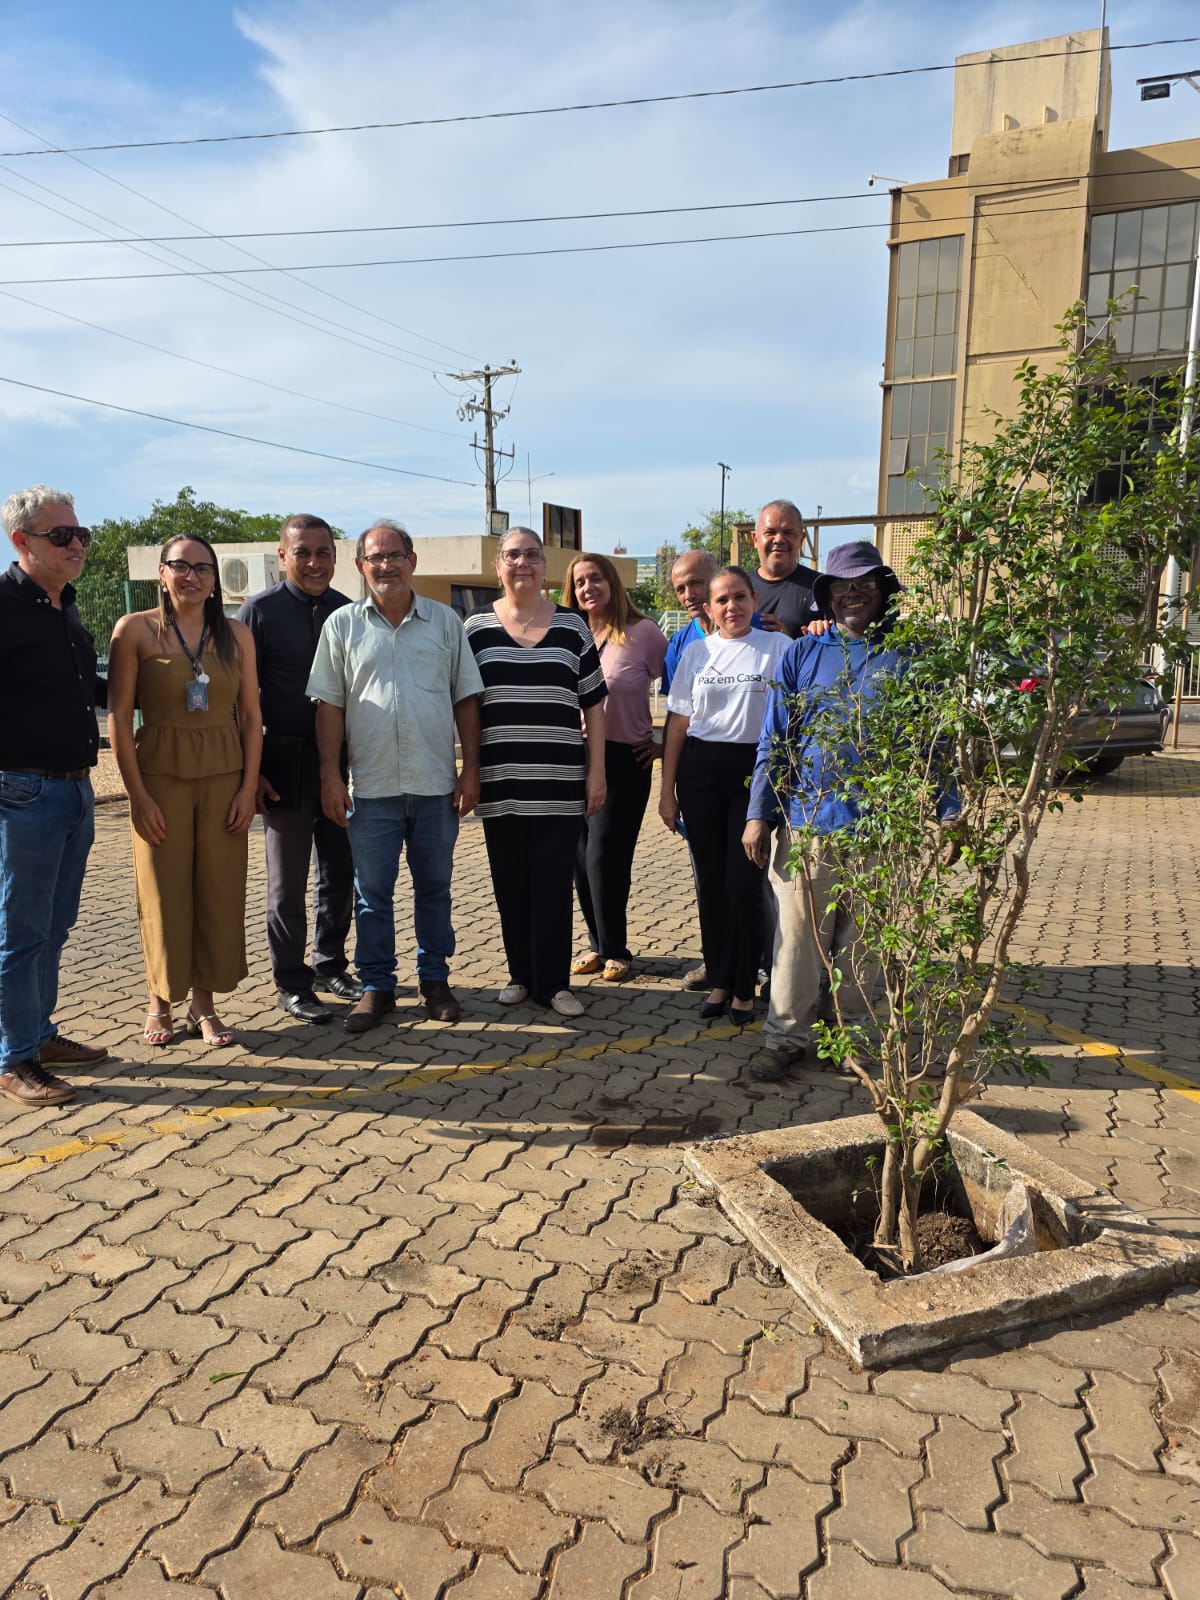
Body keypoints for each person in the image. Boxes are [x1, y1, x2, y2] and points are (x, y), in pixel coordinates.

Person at [743, 541, 919, 1082]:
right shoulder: (803, 654)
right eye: (843, 585)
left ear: (883, 592)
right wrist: (759, 814)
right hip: (808, 822)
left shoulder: (910, 656)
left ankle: (853, 1039)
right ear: (828, 596)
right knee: (797, 939)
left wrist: (950, 810)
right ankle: (785, 1037)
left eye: (864, 584)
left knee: (862, 942)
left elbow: (932, 746)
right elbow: (776, 740)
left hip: (881, 827)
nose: (853, 594)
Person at [308, 519, 483, 1033]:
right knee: (371, 895)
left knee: (435, 888)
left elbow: (466, 699)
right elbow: (329, 706)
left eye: (394, 555)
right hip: (372, 788)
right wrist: (330, 777)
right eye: (374, 558)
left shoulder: (446, 622)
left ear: (413, 561)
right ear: (361, 566)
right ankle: (377, 987)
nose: (385, 565)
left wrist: (470, 769)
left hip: (435, 787)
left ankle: (435, 982)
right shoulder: (341, 626)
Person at [108, 535, 262, 1049]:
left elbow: (252, 717)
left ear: (216, 578)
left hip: (223, 781)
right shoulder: (134, 630)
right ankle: (159, 1001)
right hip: (160, 780)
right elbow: (118, 717)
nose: (192, 576)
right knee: (162, 893)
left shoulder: (236, 634)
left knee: (217, 893)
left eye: (203, 567)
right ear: (162, 572)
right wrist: (136, 797)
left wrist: (247, 790)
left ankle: (205, 1005)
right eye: (181, 566)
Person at [464, 527, 606, 1018]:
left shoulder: (572, 626)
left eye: (531, 555)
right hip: (501, 782)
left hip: (561, 781)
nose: (521, 563)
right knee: (510, 884)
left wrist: (597, 772)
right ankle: (520, 975)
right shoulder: (475, 628)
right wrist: (469, 772)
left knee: (552, 885)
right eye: (511, 555)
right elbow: (467, 708)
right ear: (497, 566)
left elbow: (594, 705)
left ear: (545, 566)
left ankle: (554, 984)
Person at [0, 486, 107, 1107]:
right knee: (21, 931)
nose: (77, 545)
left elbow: (78, 688)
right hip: (24, 791)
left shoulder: (61, 607)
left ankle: (39, 1034)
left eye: (80, 534)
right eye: (61, 535)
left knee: (56, 925)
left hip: (75, 788)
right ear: (22, 543)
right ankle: (14, 1058)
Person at [237, 515, 361, 1025]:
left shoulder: (350, 613)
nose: (314, 563)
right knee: (287, 883)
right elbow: (237, 701)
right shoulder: (258, 612)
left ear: (336, 558)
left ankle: (330, 963)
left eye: (323, 552)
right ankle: (291, 981)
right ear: (282, 556)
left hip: (343, 762)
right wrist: (253, 771)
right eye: (303, 552)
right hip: (281, 763)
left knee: (340, 872)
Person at [659, 567, 791, 1026]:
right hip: (699, 774)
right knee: (711, 885)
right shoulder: (696, 651)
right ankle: (718, 978)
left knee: (744, 884)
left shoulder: (779, 649)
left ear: (755, 600)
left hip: (752, 773)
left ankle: (743, 988)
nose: (731, 607)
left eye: (739, 597)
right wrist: (666, 792)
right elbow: (676, 725)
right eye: (721, 600)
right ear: (709, 609)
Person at [563, 551, 667, 983]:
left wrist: (662, 742)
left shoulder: (643, 633)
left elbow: (687, 690)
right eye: (581, 581)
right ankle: (597, 943)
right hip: (572, 756)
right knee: (580, 857)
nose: (589, 588)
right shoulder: (565, 635)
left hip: (625, 758)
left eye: (597, 579)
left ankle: (617, 949)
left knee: (606, 854)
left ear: (613, 583)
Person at [750, 499, 820, 638]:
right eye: (770, 532)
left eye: (788, 533)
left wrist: (786, 642)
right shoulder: (737, 588)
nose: (779, 539)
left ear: (801, 540)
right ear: (755, 539)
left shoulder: (821, 588)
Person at [660, 549, 717, 697]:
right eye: (680, 589)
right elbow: (676, 711)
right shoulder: (677, 646)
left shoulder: (760, 629)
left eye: (695, 583)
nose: (688, 595)